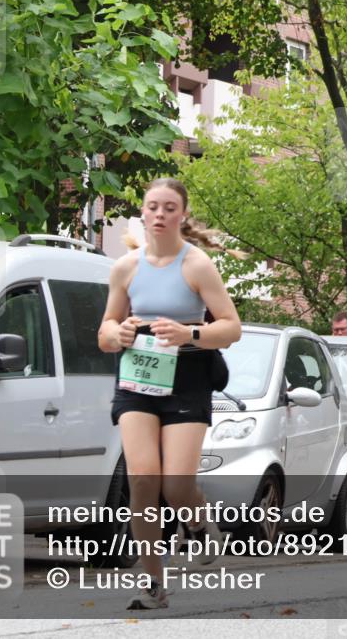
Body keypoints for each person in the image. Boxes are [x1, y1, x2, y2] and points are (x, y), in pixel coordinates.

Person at [98, 178, 243, 609]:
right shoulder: (126, 267)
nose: (159, 215)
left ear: (181, 214)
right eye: (152, 207)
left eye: (168, 208)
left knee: (177, 485)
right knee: (143, 480)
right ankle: (153, 583)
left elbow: (231, 327)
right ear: (142, 214)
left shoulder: (196, 265)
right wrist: (119, 332)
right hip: (138, 378)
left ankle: (197, 525)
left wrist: (190, 332)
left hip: (188, 376)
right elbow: (104, 332)